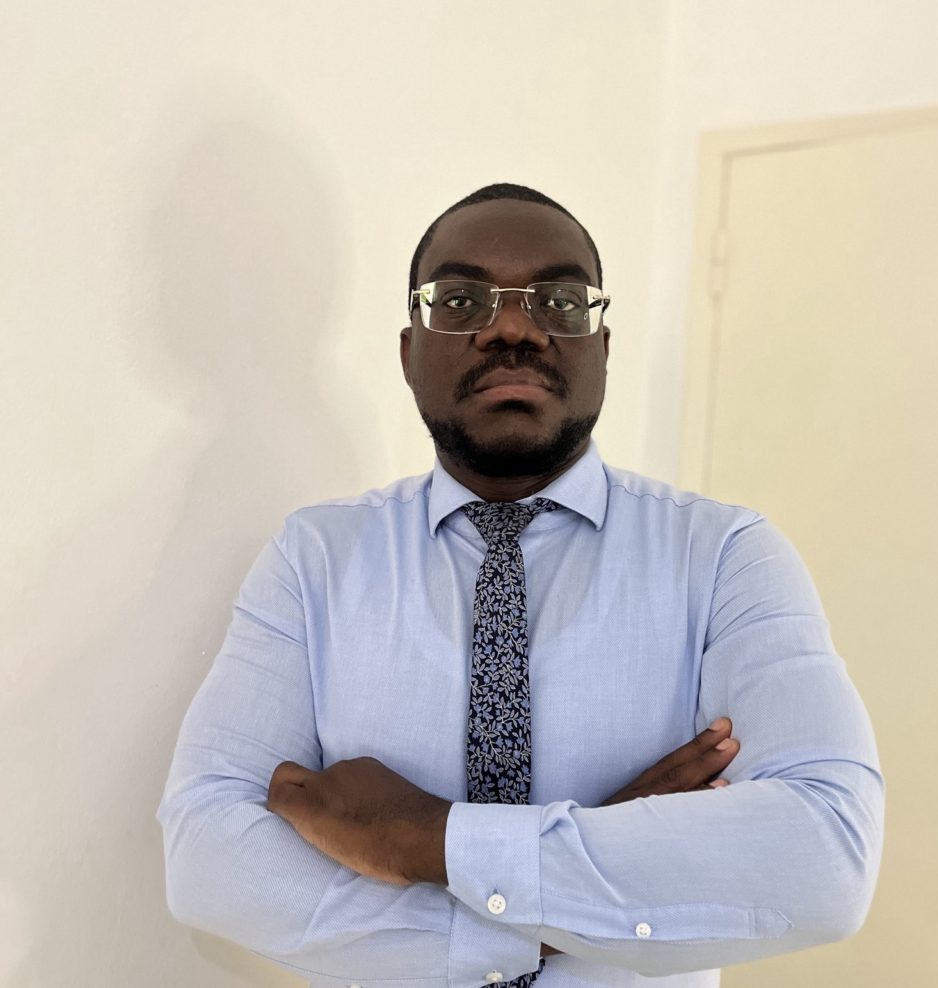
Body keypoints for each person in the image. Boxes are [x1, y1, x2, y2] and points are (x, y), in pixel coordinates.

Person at [158, 183, 884, 988]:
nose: (512, 327)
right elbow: (207, 854)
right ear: (409, 352)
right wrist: (575, 874)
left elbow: (824, 858)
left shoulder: (725, 558)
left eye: (561, 301)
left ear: (603, 347)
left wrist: (424, 839)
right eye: (463, 298)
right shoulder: (314, 559)